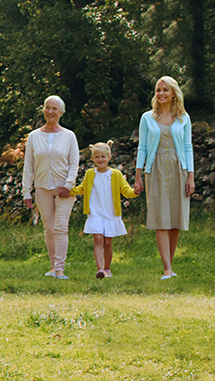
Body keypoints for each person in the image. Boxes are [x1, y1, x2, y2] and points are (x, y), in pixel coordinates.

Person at [133, 76, 194, 280]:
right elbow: (142, 147)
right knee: (161, 217)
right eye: (158, 90)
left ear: (174, 93)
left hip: (179, 168)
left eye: (165, 90)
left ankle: (170, 264)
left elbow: (188, 147)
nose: (161, 94)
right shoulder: (147, 118)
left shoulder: (183, 118)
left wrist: (191, 176)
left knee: (176, 218)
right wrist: (138, 174)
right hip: (155, 168)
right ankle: (166, 268)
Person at [22, 95, 79, 280]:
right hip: (42, 188)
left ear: (61, 112)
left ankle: (60, 269)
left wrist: (68, 185)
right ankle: (53, 267)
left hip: (64, 189)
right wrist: (26, 191)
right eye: (47, 108)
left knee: (61, 227)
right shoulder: (34, 136)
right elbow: (28, 166)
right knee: (49, 228)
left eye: (54, 108)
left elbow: (74, 164)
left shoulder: (69, 136)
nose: (50, 112)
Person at [71, 142, 136, 279]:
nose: (100, 160)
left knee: (107, 242)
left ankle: (107, 268)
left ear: (109, 157)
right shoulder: (90, 174)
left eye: (103, 157)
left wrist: (134, 192)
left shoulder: (116, 174)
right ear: (93, 158)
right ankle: (100, 269)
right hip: (95, 213)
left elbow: (126, 190)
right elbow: (82, 189)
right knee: (98, 239)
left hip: (111, 213)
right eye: (97, 157)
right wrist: (69, 191)